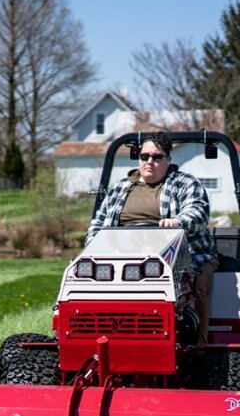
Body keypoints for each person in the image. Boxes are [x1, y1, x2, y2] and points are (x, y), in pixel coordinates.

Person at [85, 131, 219, 343]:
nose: (150, 162)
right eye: (144, 156)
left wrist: (178, 222)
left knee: (197, 286)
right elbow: (97, 224)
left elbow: (198, 212)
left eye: (157, 157)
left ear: (168, 160)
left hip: (185, 257)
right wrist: (92, 249)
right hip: (126, 258)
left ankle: (199, 344)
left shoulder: (184, 183)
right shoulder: (119, 189)